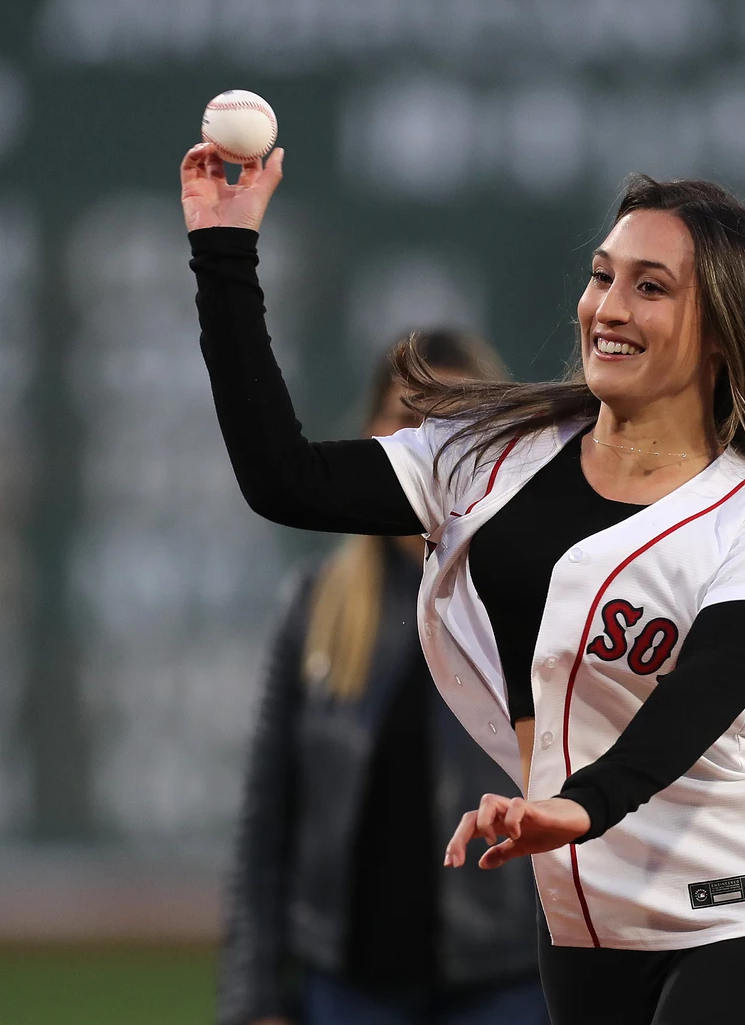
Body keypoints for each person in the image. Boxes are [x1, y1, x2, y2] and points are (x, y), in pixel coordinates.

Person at [182, 141, 745, 1025]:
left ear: (726, 329)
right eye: (604, 275)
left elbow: (700, 699)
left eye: (651, 286)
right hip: (585, 923)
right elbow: (282, 477)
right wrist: (225, 252)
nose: (607, 306)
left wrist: (579, 804)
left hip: (743, 906)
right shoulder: (493, 455)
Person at [217, 330, 549, 1025]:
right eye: (408, 421)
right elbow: (266, 824)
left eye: (460, 423)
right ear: (371, 438)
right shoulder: (316, 609)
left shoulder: (550, 606)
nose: (431, 449)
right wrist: (252, 999)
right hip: (348, 987)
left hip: (511, 982)